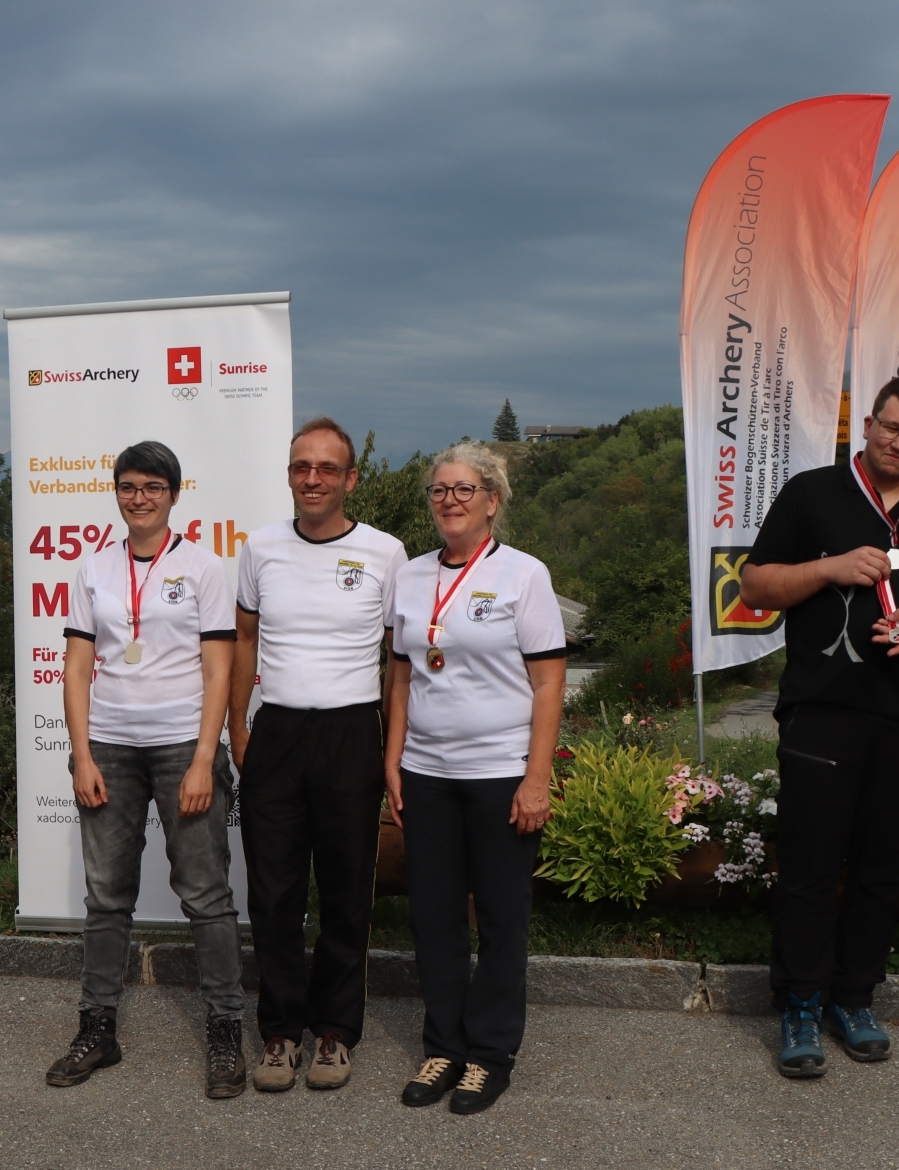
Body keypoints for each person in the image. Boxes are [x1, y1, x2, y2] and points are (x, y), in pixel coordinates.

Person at [737, 376, 899, 1078]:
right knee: (812, 868)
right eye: (890, 428)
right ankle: (801, 1004)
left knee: (880, 870)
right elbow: (754, 587)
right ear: (868, 424)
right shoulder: (813, 493)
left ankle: (855, 998)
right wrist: (830, 567)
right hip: (823, 710)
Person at [44, 440, 246, 1098]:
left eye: (152, 487)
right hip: (109, 747)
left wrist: (204, 758)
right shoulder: (93, 569)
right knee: (106, 897)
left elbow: (220, 668)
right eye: (129, 486)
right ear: (117, 492)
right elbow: (77, 667)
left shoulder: (205, 568)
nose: (139, 497)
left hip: (182, 746)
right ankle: (96, 1029)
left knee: (206, 896)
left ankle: (225, 1031)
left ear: (174, 494)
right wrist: (80, 754)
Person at [386, 442, 567, 1116]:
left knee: (500, 917)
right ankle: (443, 1046)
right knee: (433, 916)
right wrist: (392, 758)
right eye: (439, 489)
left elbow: (549, 681)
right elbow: (402, 671)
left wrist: (536, 777)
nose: (450, 500)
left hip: (500, 774)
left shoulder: (524, 575)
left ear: (492, 500)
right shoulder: (408, 576)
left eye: (465, 489)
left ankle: (489, 1055)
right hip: (427, 773)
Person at [231, 418, 406, 1093]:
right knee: (273, 894)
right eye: (302, 466)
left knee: (344, 893)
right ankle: (279, 1033)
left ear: (350, 478)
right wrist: (237, 731)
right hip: (276, 734)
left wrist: (391, 751)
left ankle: (335, 1033)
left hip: (350, 735)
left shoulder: (386, 553)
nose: (313, 479)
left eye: (327, 468)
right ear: (289, 474)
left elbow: (398, 664)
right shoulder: (260, 548)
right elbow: (244, 640)